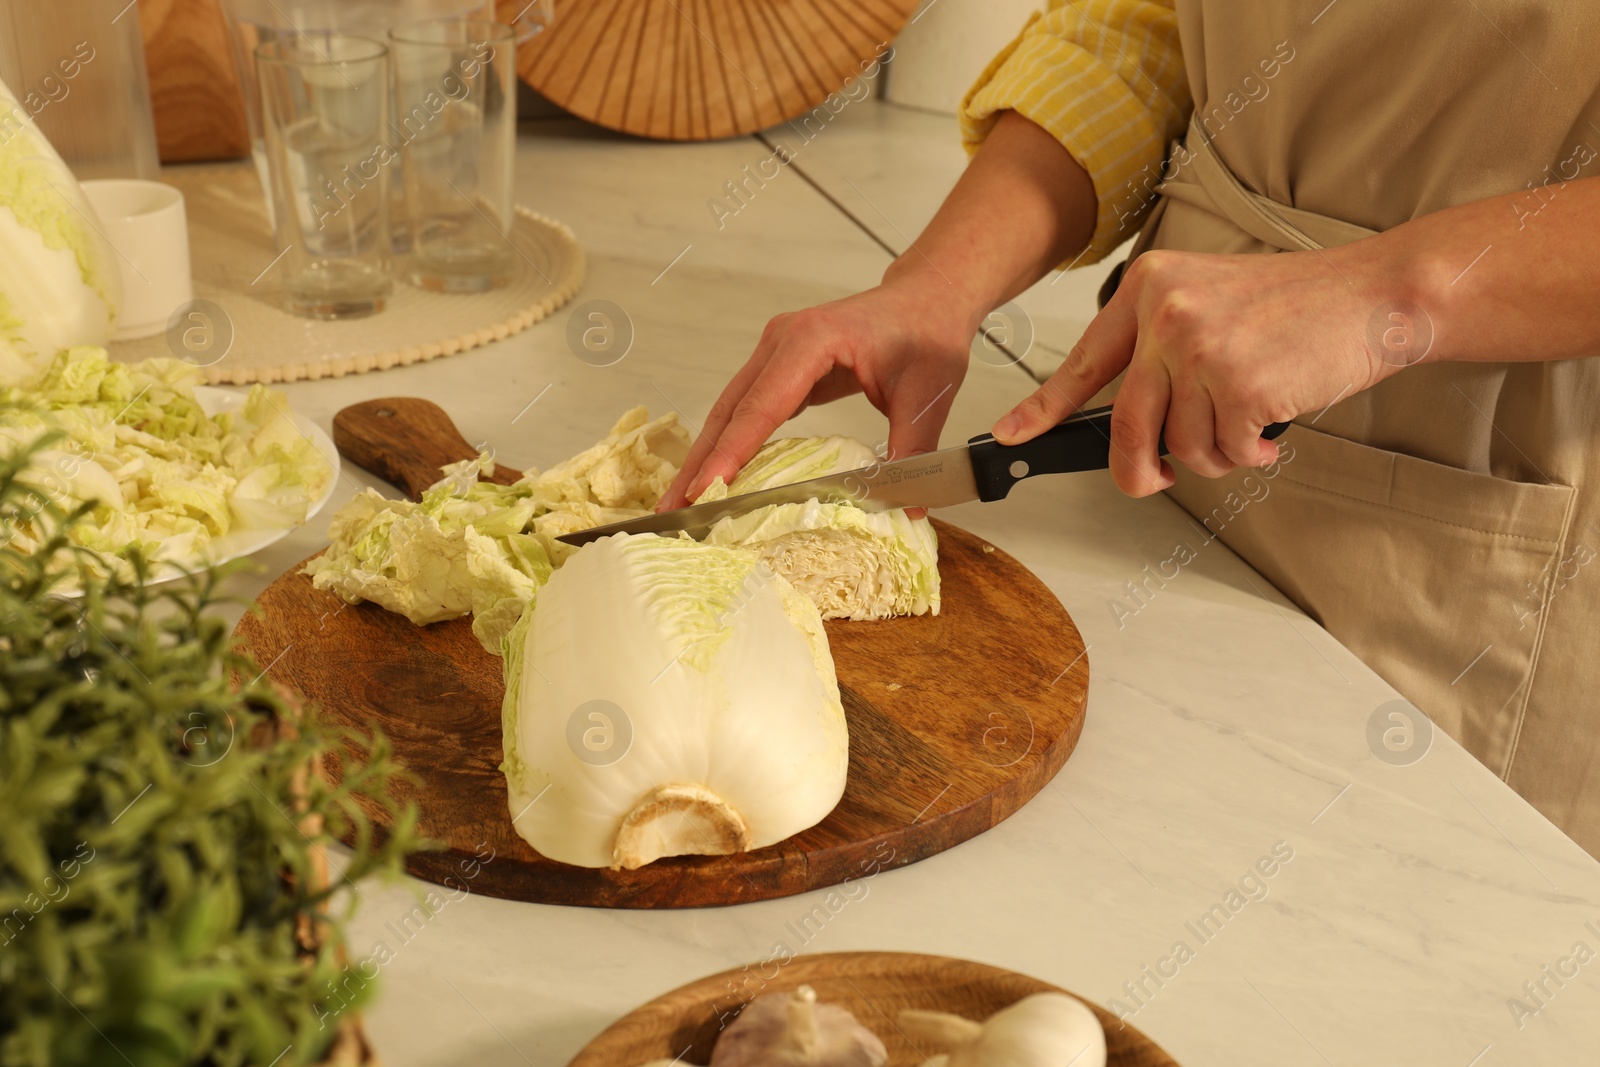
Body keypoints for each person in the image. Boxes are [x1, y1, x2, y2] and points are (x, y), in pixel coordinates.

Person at [660, 2, 1600, 854]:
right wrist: (938, 285)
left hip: (1484, 529)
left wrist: (1394, 293)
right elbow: (1145, 26)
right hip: (1162, 462)